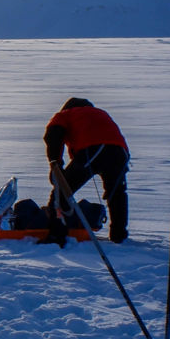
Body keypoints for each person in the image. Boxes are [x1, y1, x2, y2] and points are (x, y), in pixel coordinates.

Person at [44, 97, 129, 242]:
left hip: (94, 150)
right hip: (120, 153)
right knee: (116, 193)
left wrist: (55, 164)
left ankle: (57, 234)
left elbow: (52, 135)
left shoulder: (65, 114)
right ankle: (118, 234)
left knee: (62, 191)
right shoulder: (101, 113)